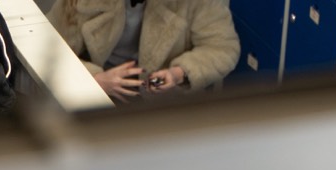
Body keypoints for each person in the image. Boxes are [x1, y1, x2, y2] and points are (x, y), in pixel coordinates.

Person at [50, 0, 241, 105]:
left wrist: (178, 73)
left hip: (164, 102)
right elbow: (48, 43)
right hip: (97, 91)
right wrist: (93, 79)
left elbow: (223, 48)